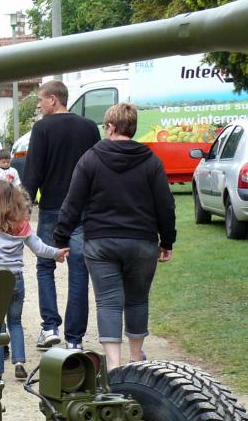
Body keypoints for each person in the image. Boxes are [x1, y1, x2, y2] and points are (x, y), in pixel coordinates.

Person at [54, 103, 175, 370]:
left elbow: (73, 202)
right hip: (142, 242)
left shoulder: (90, 159)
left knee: (108, 301)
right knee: (137, 298)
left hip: (101, 242)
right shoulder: (151, 161)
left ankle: (114, 364)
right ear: (132, 128)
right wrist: (167, 241)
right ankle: (135, 358)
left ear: (110, 127)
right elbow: (165, 204)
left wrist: (61, 238)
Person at [20, 80, 100, 351]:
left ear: (54, 99)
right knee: (79, 270)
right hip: (82, 209)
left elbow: (33, 172)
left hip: (53, 207)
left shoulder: (42, 129)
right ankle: (75, 340)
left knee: (45, 265)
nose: (40, 106)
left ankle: (50, 327)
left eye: (41, 101)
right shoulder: (89, 128)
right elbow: (98, 168)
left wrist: (24, 207)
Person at [0, 180, 69, 382]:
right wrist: (56, 253)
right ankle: (19, 362)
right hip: (15, 280)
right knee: (15, 322)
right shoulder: (22, 228)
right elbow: (40, 248)